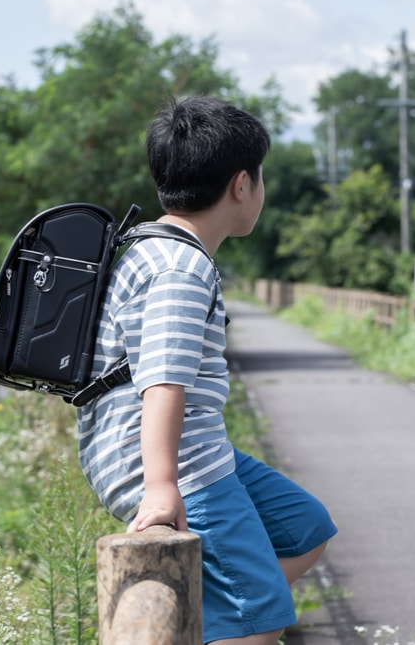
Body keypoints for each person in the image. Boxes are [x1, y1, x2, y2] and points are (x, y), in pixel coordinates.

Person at [77, 95, 337, 644]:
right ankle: (228, 622)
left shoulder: (148, 244)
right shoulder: (180, 267)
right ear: (242, 185)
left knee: (305, 527)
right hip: (175, 465)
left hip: (195, 450)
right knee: (260, 618)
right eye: (260, 179)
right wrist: (162, 486)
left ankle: (204, 618)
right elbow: (163, 379)